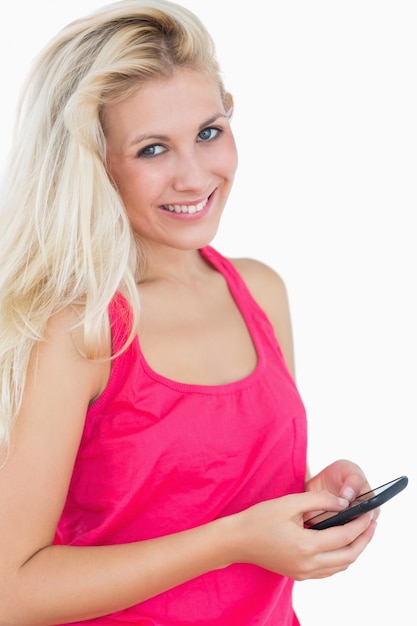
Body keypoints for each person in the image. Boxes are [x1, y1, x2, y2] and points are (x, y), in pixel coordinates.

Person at [0, 1, 377, 624]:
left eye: (209, 132)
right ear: (94, 165)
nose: (195, 175)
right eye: (152, 150)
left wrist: (317, 495)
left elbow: (217, 492)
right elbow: (11, 590)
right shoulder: (80, 329)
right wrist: (233, 540)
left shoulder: (259, 291)